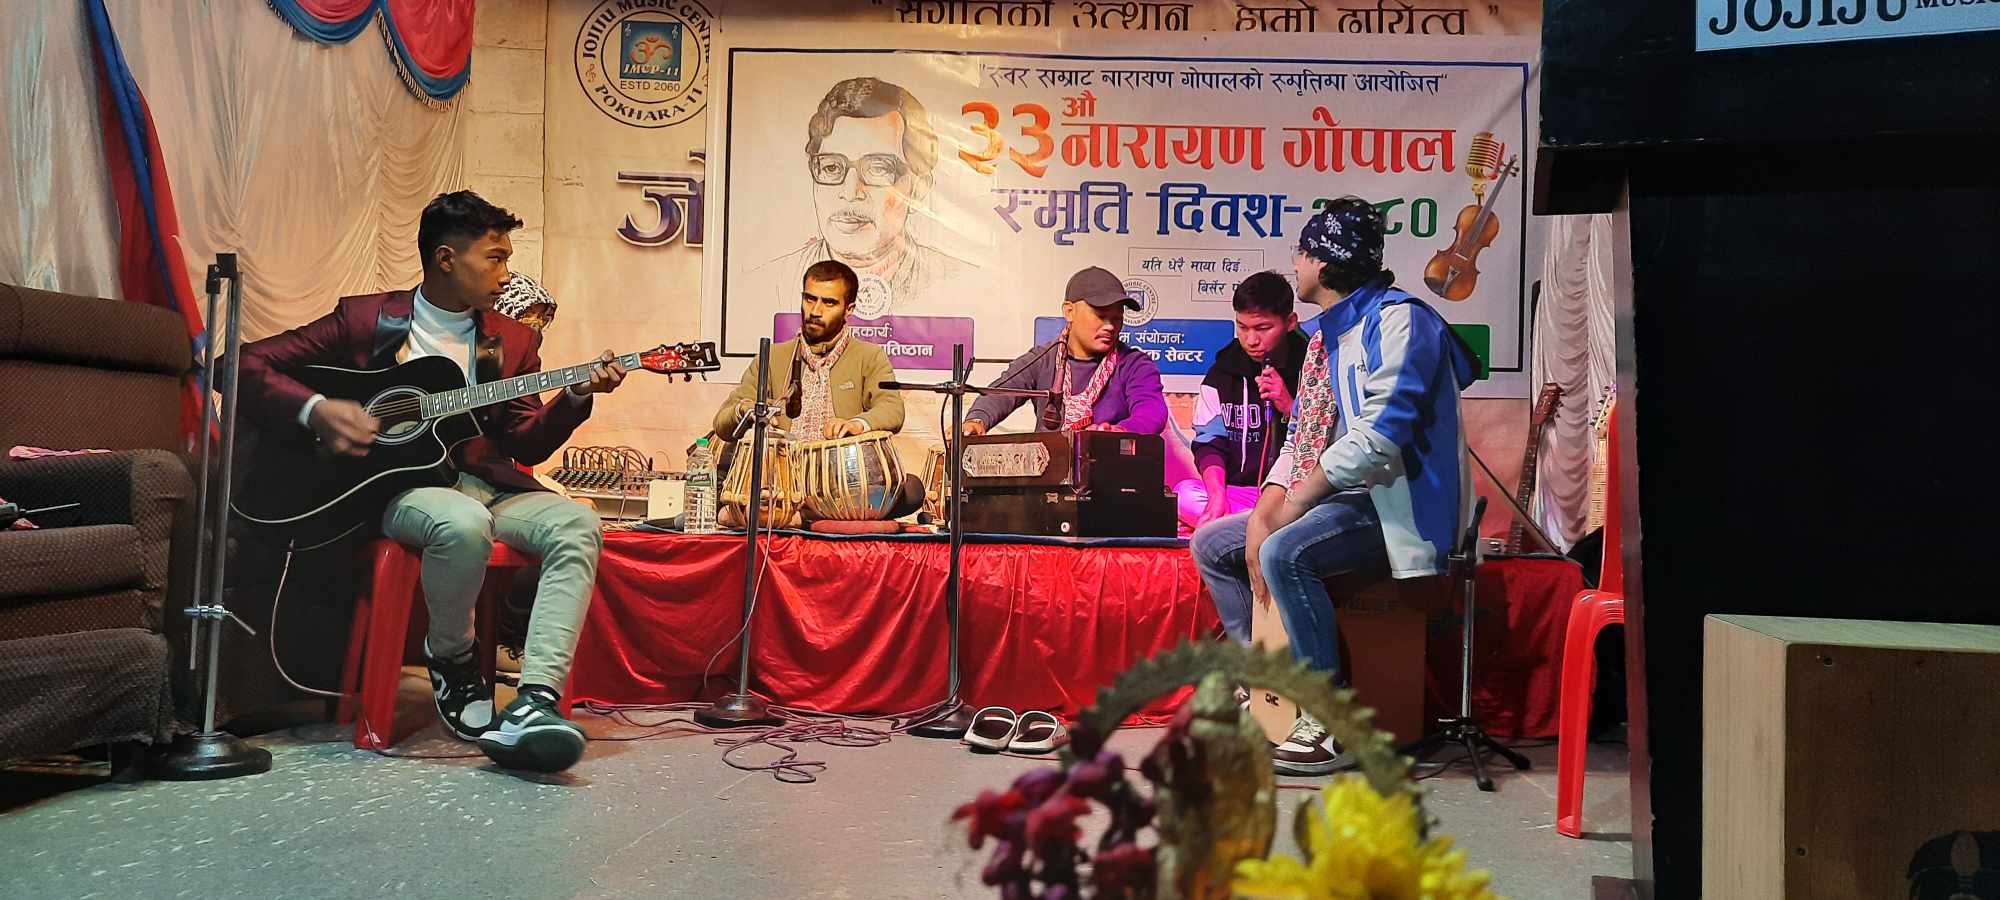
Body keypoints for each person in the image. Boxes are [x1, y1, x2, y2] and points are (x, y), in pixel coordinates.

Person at [239, 190, 627, 773]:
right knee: (460, 521)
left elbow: (526, 442)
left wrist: (574, 398)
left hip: (485, 485)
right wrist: (317, 410)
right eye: (494, 258)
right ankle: (452, 658)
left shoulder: (513, 340)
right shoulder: (366, 320)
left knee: (577, 522)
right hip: (399, 490)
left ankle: (536, 701)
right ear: (446, 258)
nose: (506, 274)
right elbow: (243, 362)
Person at [1188, 198, 1477, 776]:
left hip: (1401, 505)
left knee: (1284, 551)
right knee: (1213, 544)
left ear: (1323, 262)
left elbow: (1381, 435)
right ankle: (1260, 683)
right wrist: (1265, 509)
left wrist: (1292, 507)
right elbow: (1302, 436)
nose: (1294, 263)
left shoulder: (1401, 321)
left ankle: (1327, 718)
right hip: (1345, 497)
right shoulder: (1326, 338)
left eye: (1301, 252)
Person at [711, 259, 924, 519]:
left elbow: (892, 409)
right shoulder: (773, 358)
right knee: (720, 485)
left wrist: (856, 424)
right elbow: (722, 423)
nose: (815, 310)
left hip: (842, 487)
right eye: (810, 299)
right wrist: (746, 410)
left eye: (829, 303)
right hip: (779, 483)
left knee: (911, 489)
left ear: (849, 309)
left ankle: (801, 516)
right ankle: (793, 513)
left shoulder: (869, 356)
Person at [751, 77, 976, 320]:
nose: (850, 193)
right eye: (831, 167)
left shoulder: (960, 285)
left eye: (878, 168)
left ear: (919, 188)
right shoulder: (770, 284)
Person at [961, 266, 1167, 437]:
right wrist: (977, 420)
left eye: (1117, 318)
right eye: (1101, 315)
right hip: (1047, 470)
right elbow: (1000, 393)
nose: (1110, 326)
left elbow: (1152, 412)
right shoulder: (1042, 359)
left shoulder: (1134, 364)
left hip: (1110, 470)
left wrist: (1120, 432)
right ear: (1069, 311)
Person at [1177, 272, 1306, 529]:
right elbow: (1209, 443)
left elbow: (1329, 442)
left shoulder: (1314, 364)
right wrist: (1217, 496)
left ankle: (1236, 527)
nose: (1251, 340)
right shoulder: (1222, 372)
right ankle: (1262, 525)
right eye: (1243, 327)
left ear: (1290, 322)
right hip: (1242, 494)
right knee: (1183, 494)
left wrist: (1290, 407)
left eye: (1263, 328)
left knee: (1325, 507)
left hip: (1294, 494)